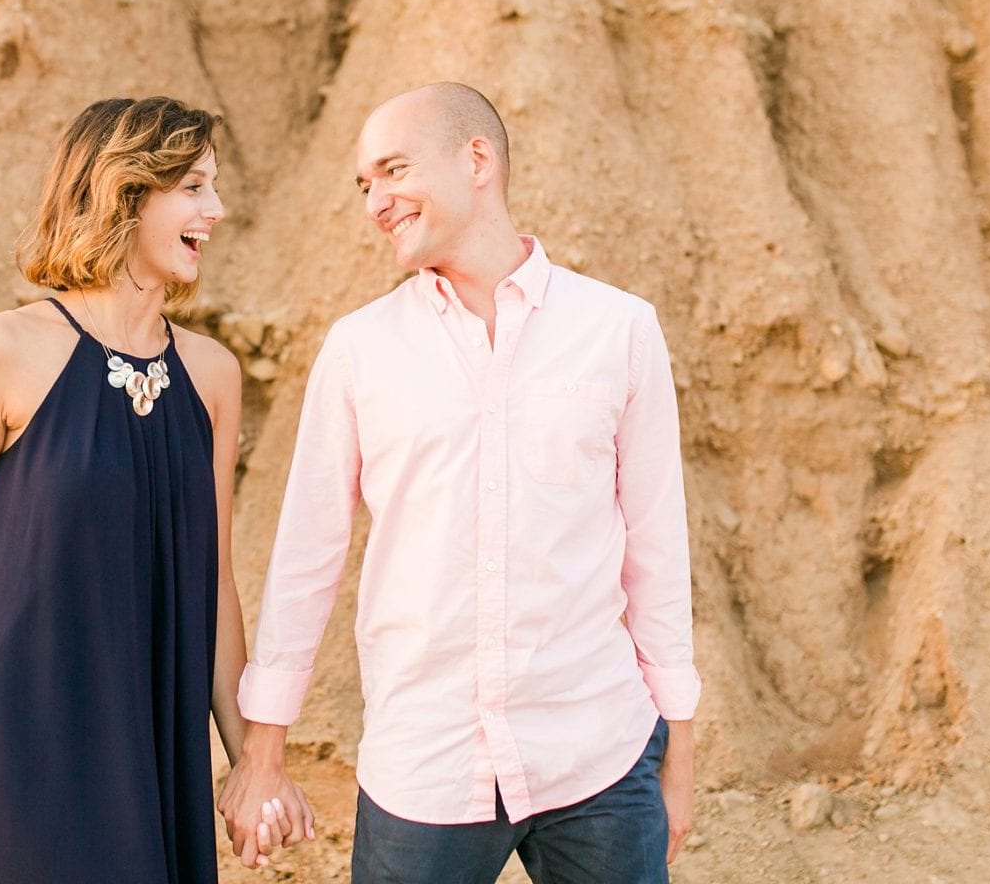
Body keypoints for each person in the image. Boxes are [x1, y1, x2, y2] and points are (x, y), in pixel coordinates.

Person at [218, 82, 698, 883]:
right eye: (364, 184)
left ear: (477, 159)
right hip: (426, 767)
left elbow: (656, 548)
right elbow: (307, 558)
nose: (375, 199)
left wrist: (678, 752)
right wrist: (263, 750)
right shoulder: (359, 349)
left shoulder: (618, 329)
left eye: (393, 170)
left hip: (600, 758)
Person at [0, 96, 292, 882]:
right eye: (194, 187)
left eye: (214, 186)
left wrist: (247, 765)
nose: (217, 210)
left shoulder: (213, 376)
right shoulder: (1, 351)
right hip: (24, 745)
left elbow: (215, 584)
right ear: (127, 195)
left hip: (157, 740)